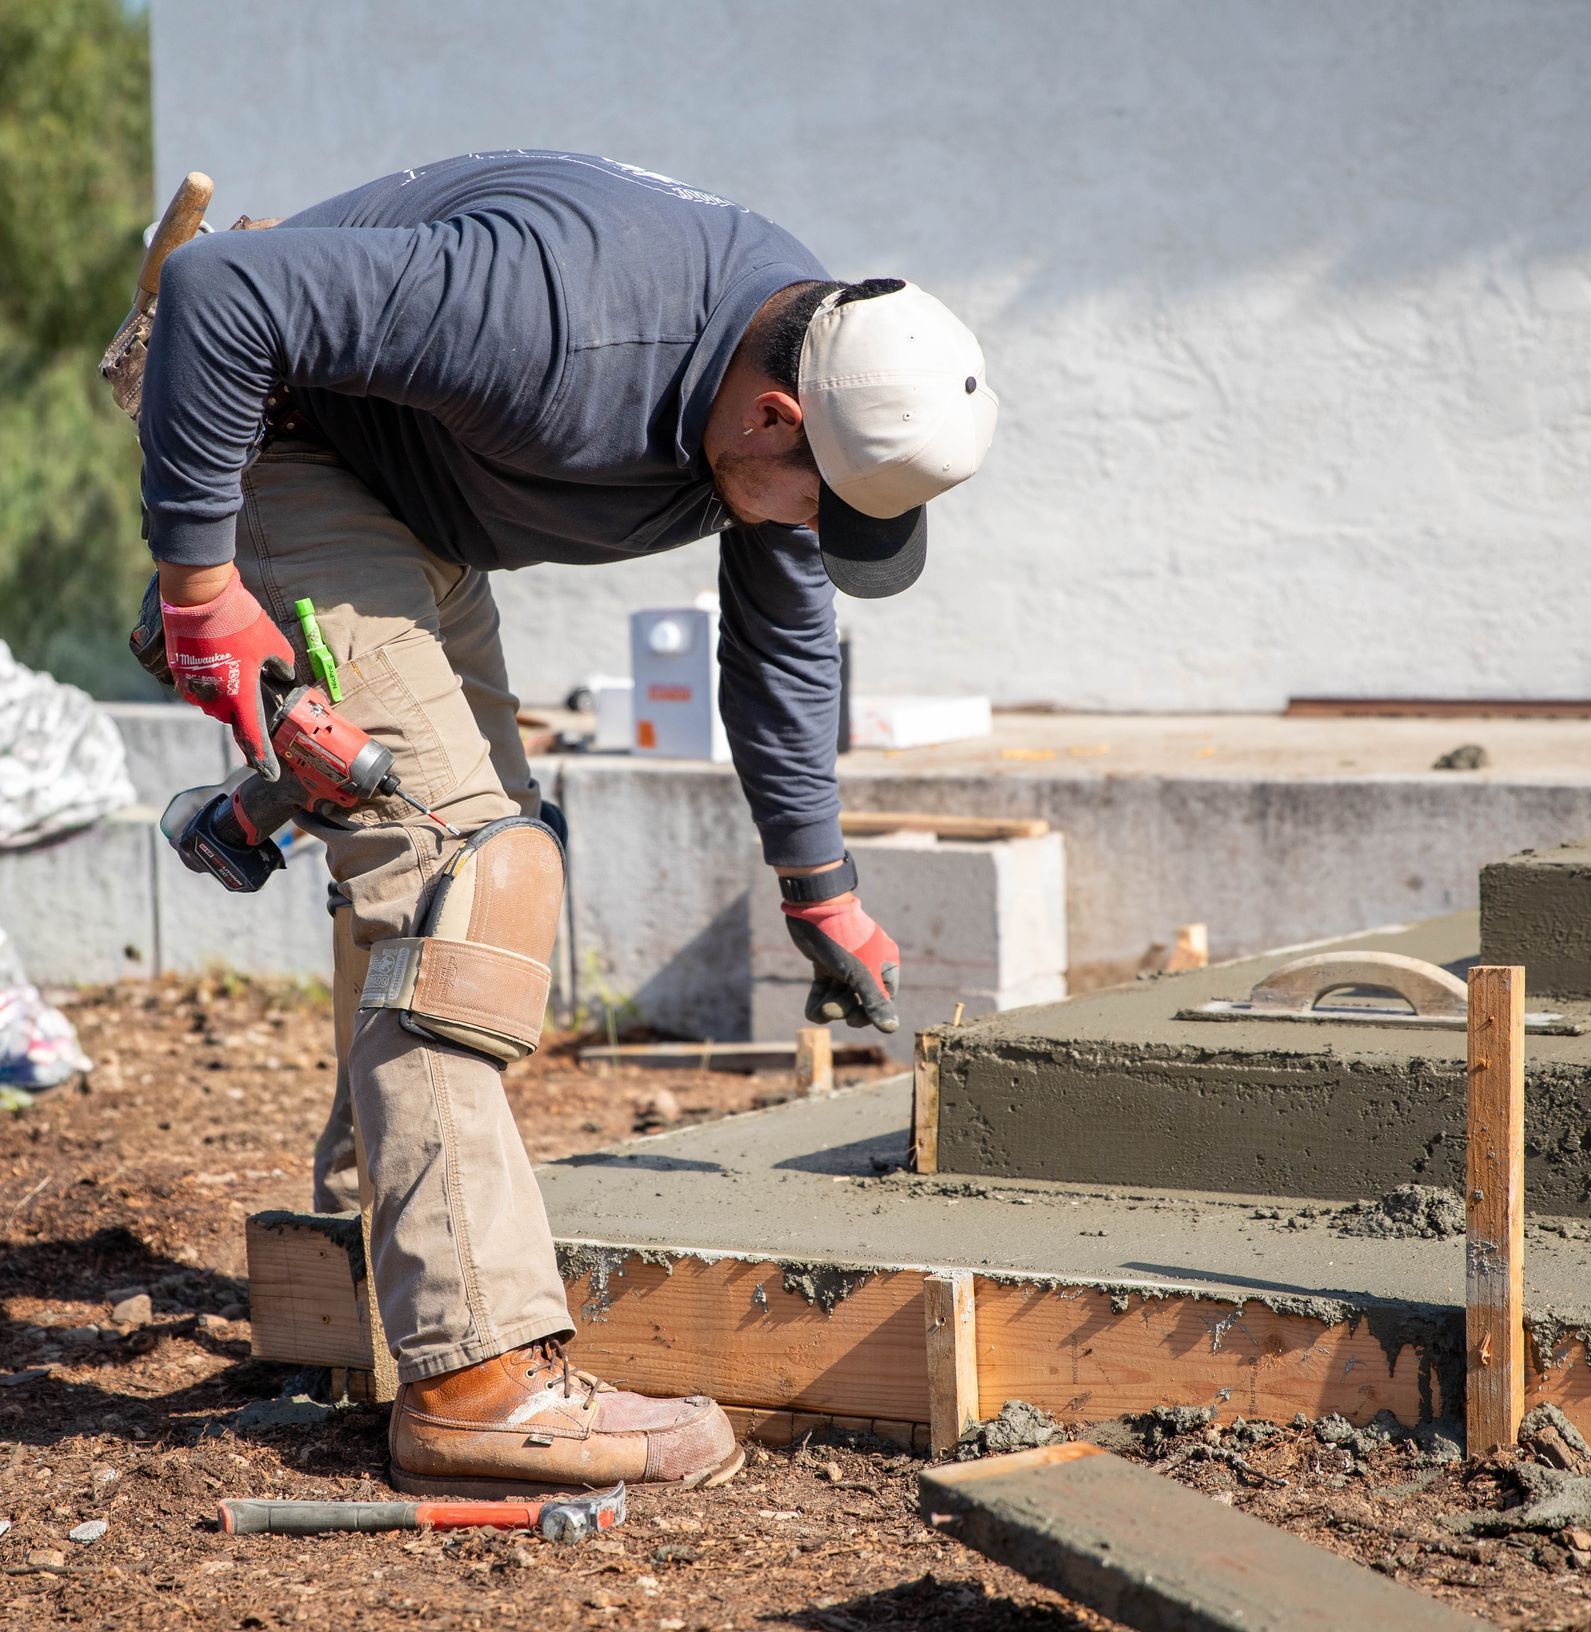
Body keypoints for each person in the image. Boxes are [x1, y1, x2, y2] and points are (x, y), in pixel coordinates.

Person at [138, 149, 998, 1496]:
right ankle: (476, 1382)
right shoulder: (561, 318)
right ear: (775, 420)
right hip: (279, 445)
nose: (807, 533)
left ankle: (376, 1252)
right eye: (816, 505)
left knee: (496, 864)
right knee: (454, 877)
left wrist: (818, 884)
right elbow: (219, 286)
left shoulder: (804, 376)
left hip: (413, 504)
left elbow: (783, 642)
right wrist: (199, 593)